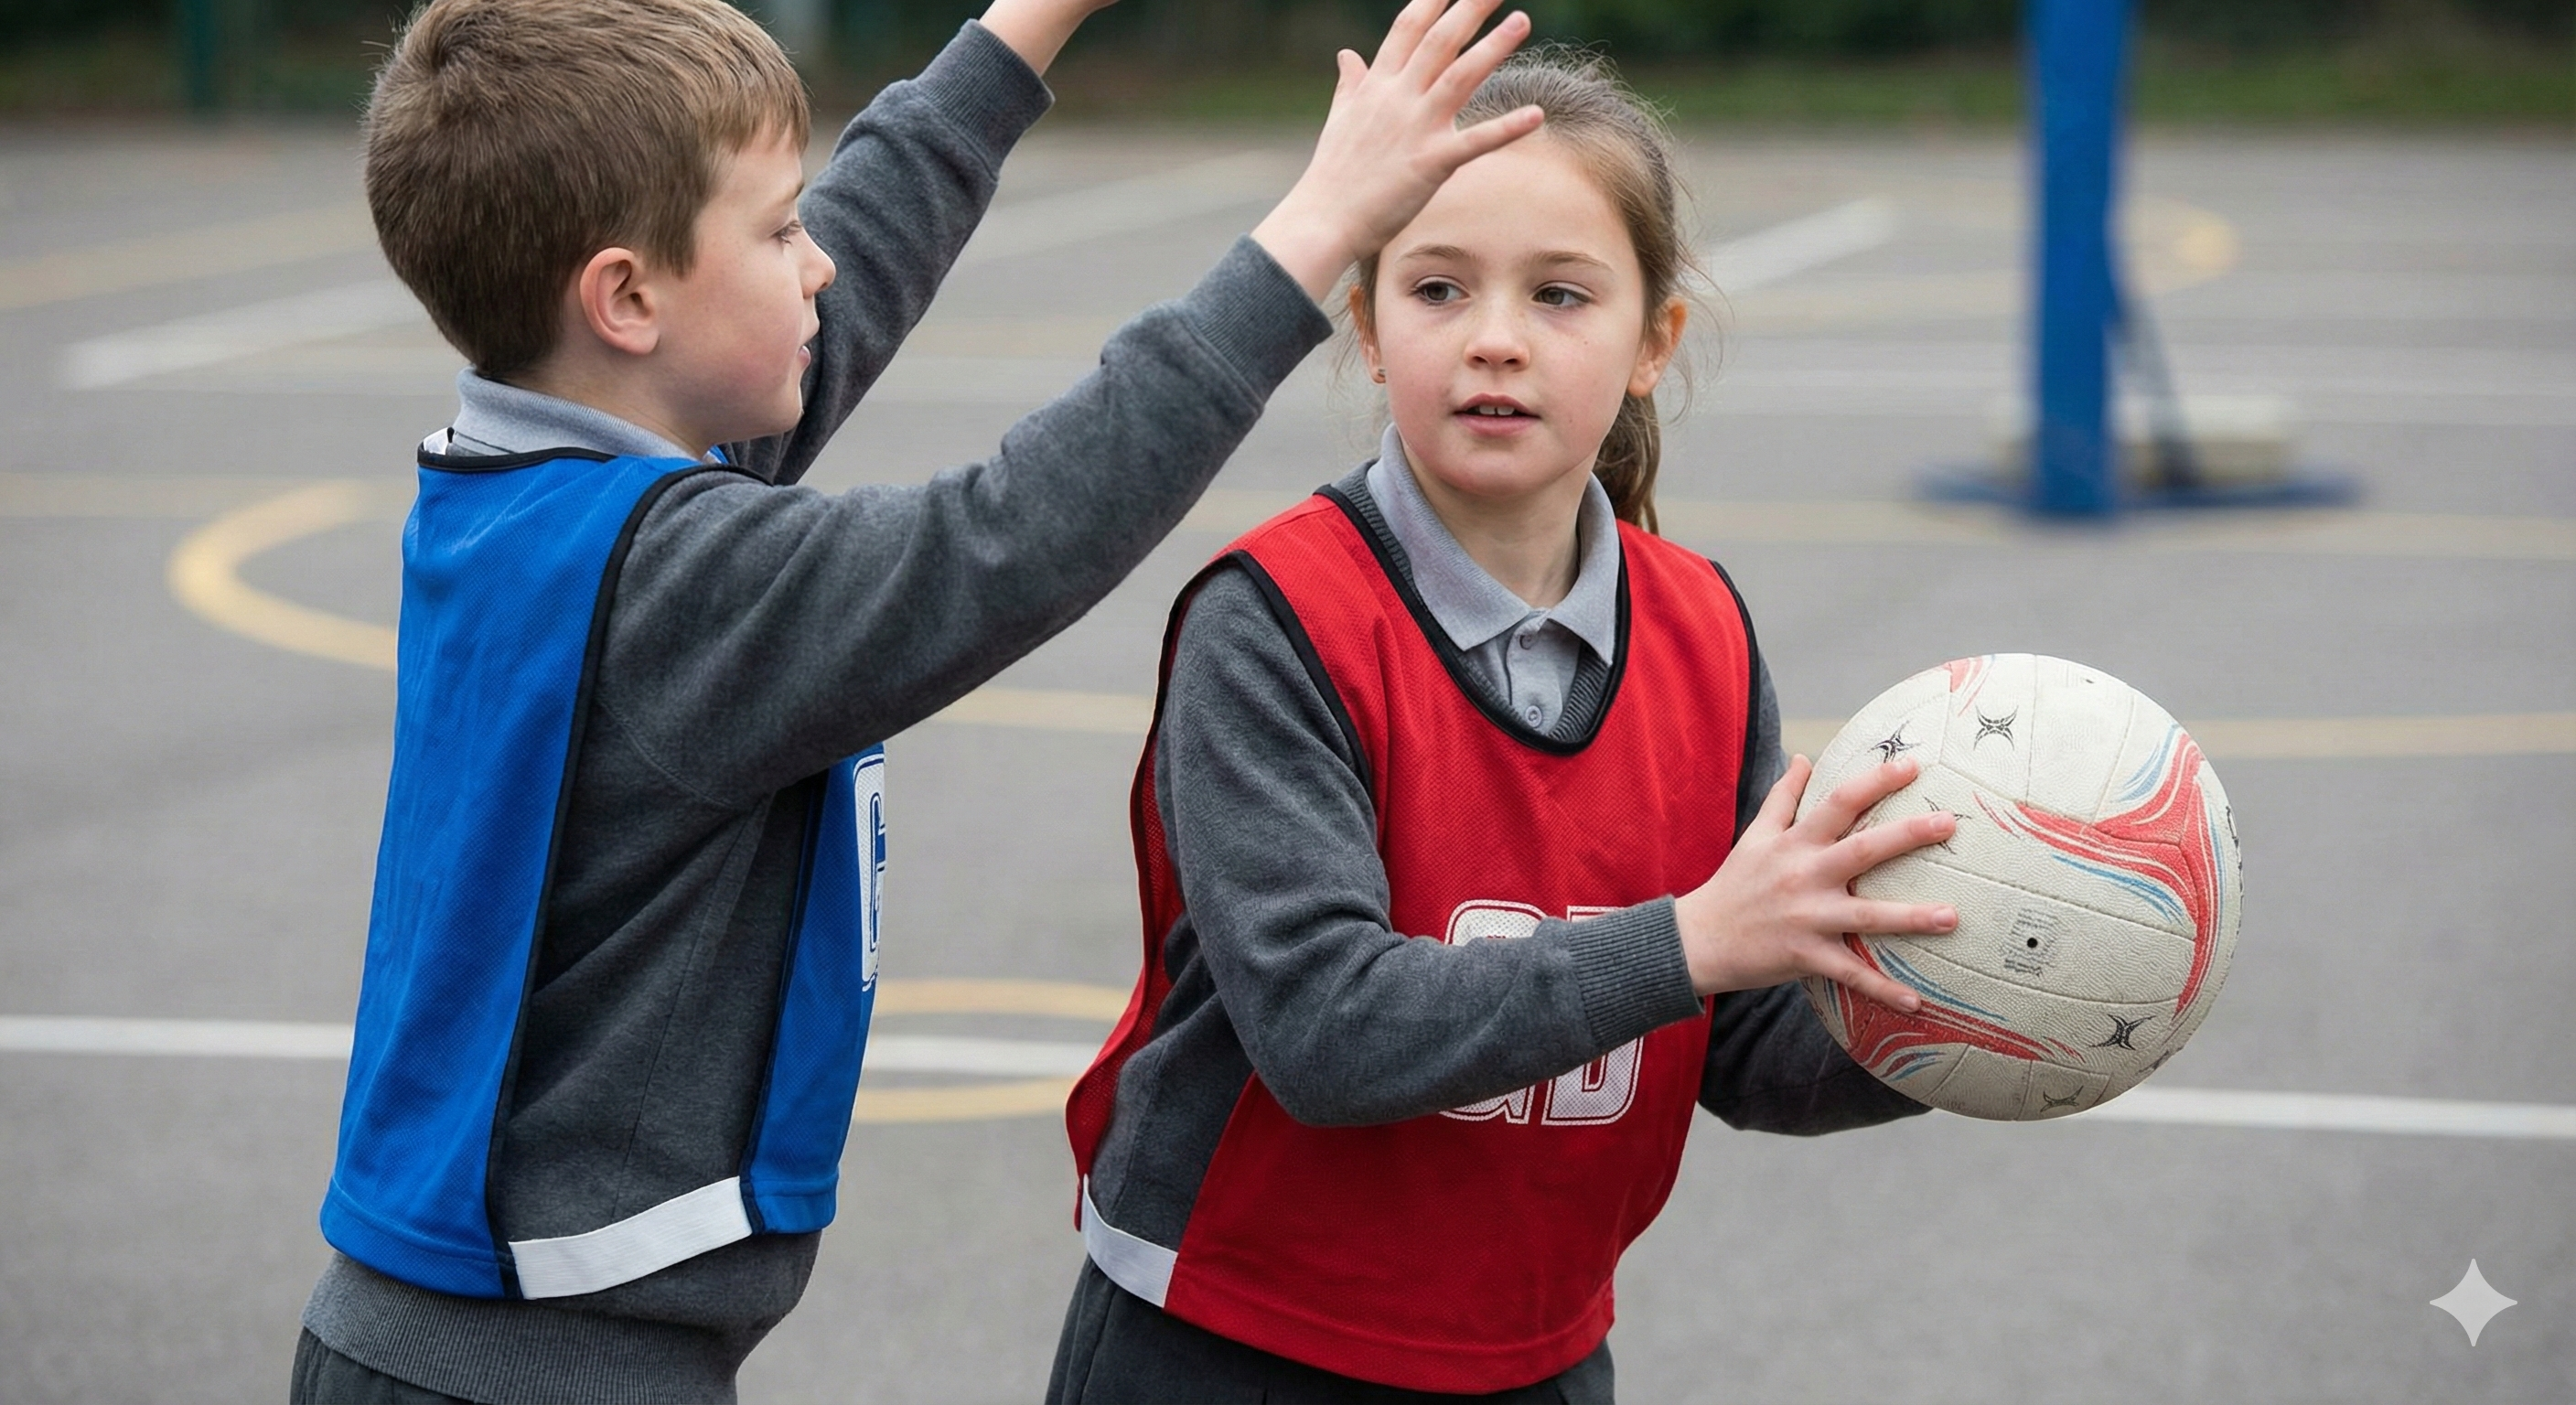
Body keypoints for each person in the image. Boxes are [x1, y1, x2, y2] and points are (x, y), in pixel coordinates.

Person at [292, 0, 1551, 1400]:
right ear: (627, 301)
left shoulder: (529, 486)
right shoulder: (679, 591)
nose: (820, 256)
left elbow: (859, 256)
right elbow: (1015, 534)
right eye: (778, 231)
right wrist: (1321, 224)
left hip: (463, 1338)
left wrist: (1026, 23)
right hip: (531, 1366)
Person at [1056, 49, 1965, 1403]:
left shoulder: (1702, 627)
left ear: (1654, 341)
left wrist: (1988, 1020)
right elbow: (1328, 1031)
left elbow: (1739, 1038)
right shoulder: (1280, 619)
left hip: (1532, 1355)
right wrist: (1694, 936)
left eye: (1558, 295)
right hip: (1235, 1342)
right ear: (1365, 325)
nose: (1495, 336)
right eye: (1437, 289)